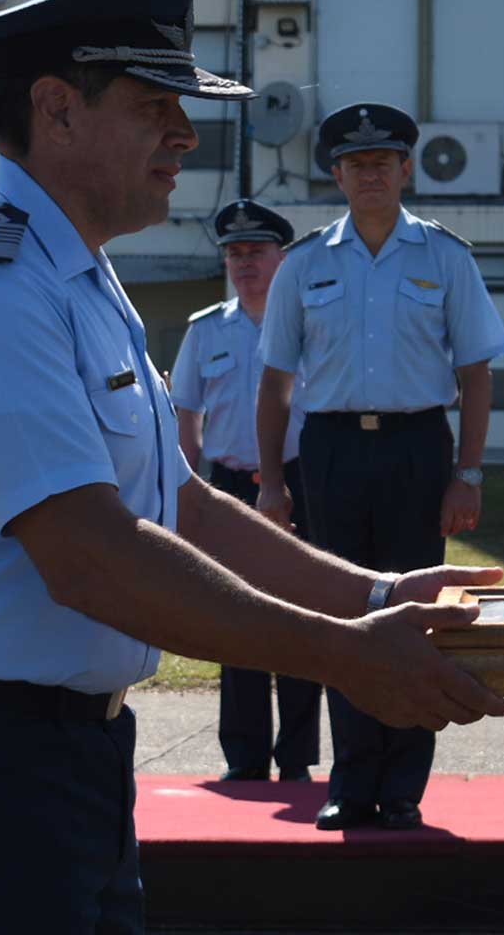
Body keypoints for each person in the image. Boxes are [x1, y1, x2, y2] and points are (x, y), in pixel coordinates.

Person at [0, 0, 504, 934]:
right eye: (155, 106)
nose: (186, 134)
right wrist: (344, 655)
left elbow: (176, 500)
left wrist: (375, 596)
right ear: (55, 110)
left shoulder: (75, 275)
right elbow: (90, 553)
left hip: (55, 749)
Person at [257, 101, 504, 832]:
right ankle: (351, 779)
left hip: (416, 450)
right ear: (337, 174)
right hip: (332, 452)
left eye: (384, 162)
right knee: (346, 612)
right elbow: (275, 382)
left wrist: (469, 474)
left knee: (416, 616)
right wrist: (273, 483)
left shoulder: (445, 256)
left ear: (406, 169)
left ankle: (403, 785)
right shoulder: (304, 263)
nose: (370, 174)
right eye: (355, 164)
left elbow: (476, 375)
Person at [170, 199, 320, 784]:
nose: (244, 263)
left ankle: (298, 757)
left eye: (256, 251)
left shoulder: (311, 324)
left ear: (283, 257)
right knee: (235, 617)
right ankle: (245, 756)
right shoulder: (206, 329)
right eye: (234, 253)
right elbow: (185, 411)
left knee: (305, 617)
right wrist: (185, 484)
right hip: (230, 484)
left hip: (303, 482)